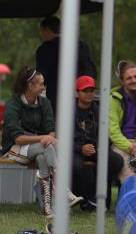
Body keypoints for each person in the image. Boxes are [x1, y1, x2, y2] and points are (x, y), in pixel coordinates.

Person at [1, 66, 82, 217]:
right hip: (13, 148)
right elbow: (18, 138)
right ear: (29, 85)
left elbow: (51, 128)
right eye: (41, 84)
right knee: (48, 147)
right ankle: (63, 191)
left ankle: (47, 209)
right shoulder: (13, 104)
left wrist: (48, 137)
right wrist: (45, 138)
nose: (44, 87)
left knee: (43, 157)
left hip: (38, 147)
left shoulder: (45, 103)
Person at [73, 76, 124, 210]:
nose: (89, 94)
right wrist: (80, 148)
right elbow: (63, 139)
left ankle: (97, 197)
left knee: (116, 161)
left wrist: (102, 147)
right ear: (77, 93)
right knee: (75, 166)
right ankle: (83, 198)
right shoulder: (69, 111)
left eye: (91, 90)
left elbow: (108, 134)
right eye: (85, 91)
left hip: (96, 149)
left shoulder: (100, 111)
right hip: (76, 150)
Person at [36, 15, 97, 114]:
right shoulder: (81, 45)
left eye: (41, 31)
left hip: (58, 100)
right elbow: (92, 70)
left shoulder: (45, 49)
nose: (41, 34)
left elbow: (42, 78)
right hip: (84, 98)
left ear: (46, 30)